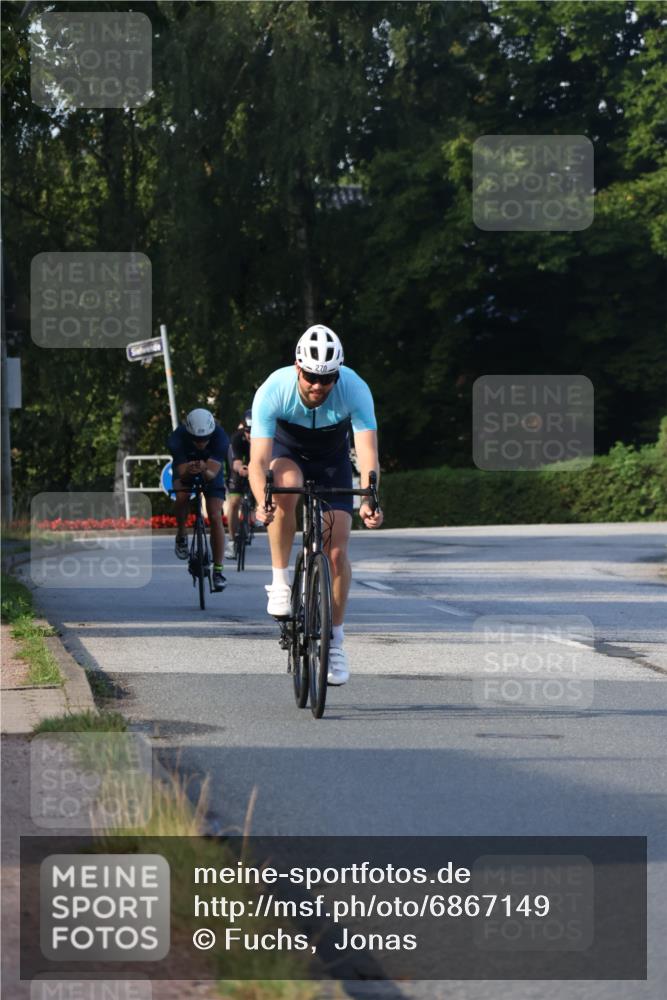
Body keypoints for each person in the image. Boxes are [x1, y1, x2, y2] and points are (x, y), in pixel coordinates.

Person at [248, 324, 383, 686]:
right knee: (285, 486)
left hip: (331, 461)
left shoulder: (355, 389)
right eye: (310, 376)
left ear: (338, 374)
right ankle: (279, 581)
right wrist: (263, 500)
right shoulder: (273, 389)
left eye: (327, 379)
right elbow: (259, 461)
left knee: (336, 552)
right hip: (287, 453)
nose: (317, 386)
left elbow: (368, 453)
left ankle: (335, 641)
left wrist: (371, 497)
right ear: (298, 368)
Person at [167, 408, 230, 592]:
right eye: (197, 440)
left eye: (205, 439)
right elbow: (181, 472)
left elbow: (212, 474)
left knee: (215, 515)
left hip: (210, 470)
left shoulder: (220, 438)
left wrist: (203, 469)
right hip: (185, 466)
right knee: (182, 496)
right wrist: (189, 470)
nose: (201, 443)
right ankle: (181, 534)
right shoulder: (177, 439)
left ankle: (218, 571)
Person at [224, 408, 255, 559]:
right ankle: (231, 540)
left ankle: (255, 509)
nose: (250, 435)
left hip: (257, 469)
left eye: (254, 431)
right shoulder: (237, 438)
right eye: (248, 431)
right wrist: (241, 469)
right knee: (234, 502)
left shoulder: (264, 438)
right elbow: (235, 462)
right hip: (240, 468)